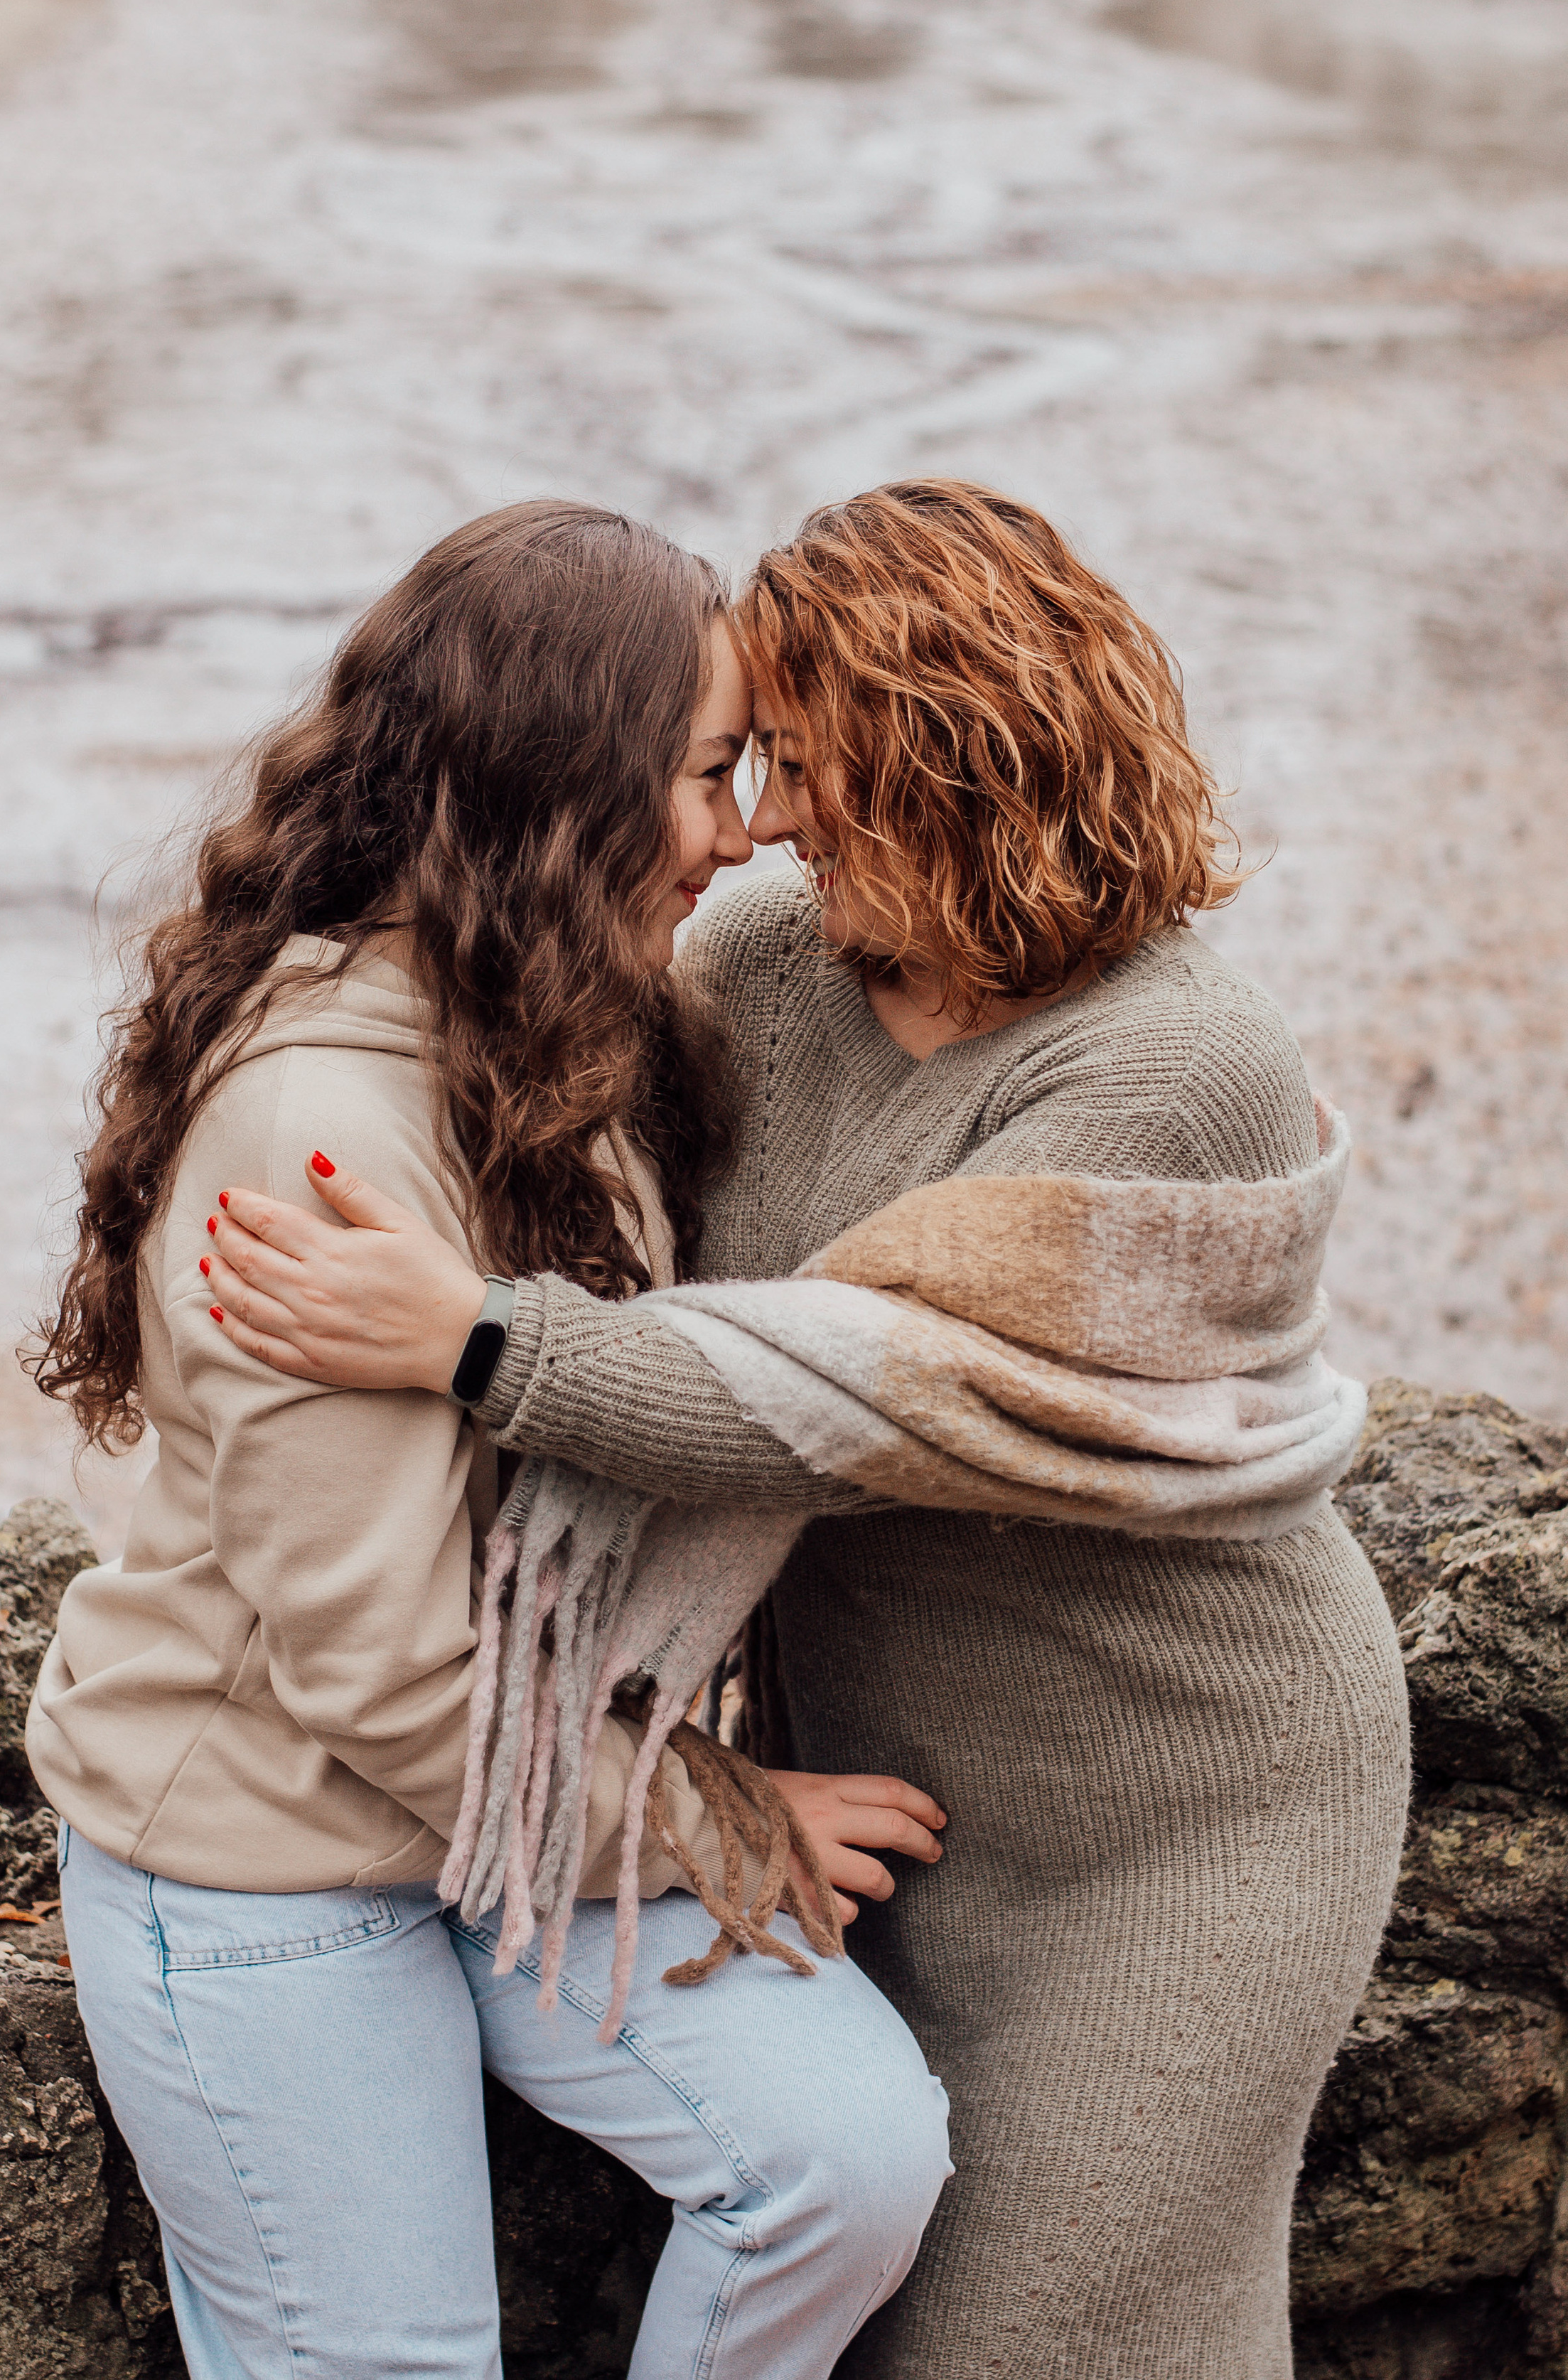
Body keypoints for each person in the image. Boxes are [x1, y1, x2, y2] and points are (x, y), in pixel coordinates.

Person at [203, 479, 1412, 2380]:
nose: (758, 818)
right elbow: (511, 1041)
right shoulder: (779, 967)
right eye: (741, 760)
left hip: (1185, 1824)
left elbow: (844, 1393)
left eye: (800, 763)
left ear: (950, 758)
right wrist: (269, 1073)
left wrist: (474, 1344)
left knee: (1045, 2339)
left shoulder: (1178, 1068)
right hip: (906, 1799)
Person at [23, 500, 952, 2380]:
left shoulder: (568, 1010)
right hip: (272, 1854)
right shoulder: (322, 1130)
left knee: (847, 2161)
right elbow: (380, 1673)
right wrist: (722, 1813)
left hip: (509, 1824)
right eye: (708, 775)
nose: (746, 828)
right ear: (567, 790)